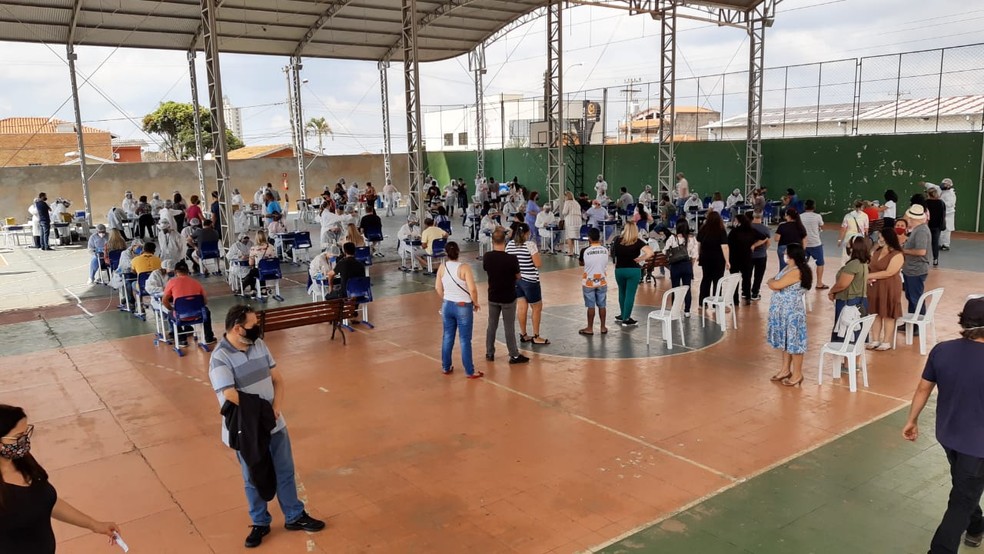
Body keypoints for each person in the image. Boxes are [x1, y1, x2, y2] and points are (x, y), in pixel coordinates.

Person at [208, 305, 325, 549]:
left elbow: (278, 379)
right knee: (253, 476)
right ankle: (260, 522)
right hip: (247, 430)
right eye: (253, 326)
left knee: (285, 470)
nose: (257, 330)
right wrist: (262, 410)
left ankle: (294, 515)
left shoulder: (259, 345)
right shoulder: (220, 357)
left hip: (274, 423)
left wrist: (276, 408)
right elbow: (229, 394)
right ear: (238, 328)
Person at [902, 297, 984, 553]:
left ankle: (976, 526)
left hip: (948, 436)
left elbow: (923, 388)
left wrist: (911, 420)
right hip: (978, 446)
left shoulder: (942, 350)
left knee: (964, 487)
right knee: (961, 499)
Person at [0, 405, 120, 553]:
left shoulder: (23, 462)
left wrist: (93, 524)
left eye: (26, 433)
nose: (25, 441)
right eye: (18, 437)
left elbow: (44, 500)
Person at [766, 243, 813, 387]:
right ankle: (785, 369)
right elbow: (775, 281)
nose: (784, 254)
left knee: (795, 343)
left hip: (792, 313)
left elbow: (775, 284)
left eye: (786, 253)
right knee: (786, 342)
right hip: (784, 312)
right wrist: (773, 281)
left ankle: (797, 374)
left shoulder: (796, 271)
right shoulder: (789, 268)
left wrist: (772, 282)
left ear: (792, 255)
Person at [434, 241, 483, 378]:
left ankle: (446, 366)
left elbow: (438, 288)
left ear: (446, 253)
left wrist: (446, 298)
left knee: (447, 336)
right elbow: (472, 289)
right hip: (463, 306)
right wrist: (475, 302)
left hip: (447, 305)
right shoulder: (464, 267)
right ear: (458, 252)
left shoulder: (442, 267)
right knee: (464, 339)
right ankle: (469, 370)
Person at [506, 223, 549, 345]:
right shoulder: (530, 245)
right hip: (530, 281)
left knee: (522, 307)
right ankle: (536, 336)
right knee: (536, 308)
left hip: (515, 281)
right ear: (526, 233)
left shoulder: (509, 245)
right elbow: (538, 263)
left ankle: (523, 334)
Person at [827, 237, 869, 349]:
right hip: (860, 301)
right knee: (857, 333)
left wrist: (832, 291)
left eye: (849, 244)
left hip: (849, 302)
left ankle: (847, 363)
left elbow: (842, 284)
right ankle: (854, 363)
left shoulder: (853, 264)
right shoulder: (863, 263)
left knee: (846, 332)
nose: (847, 247)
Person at [866, 228, 904, 351]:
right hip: (875, 286)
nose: (880, 239)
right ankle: (875, 339)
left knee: (888, 313)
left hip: (890, 287)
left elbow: (889, 272)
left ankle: (886, 341)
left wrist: (867, 276)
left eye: (882, 237)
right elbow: (870, 266)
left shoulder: (897, 254)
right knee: (875, 312)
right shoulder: (877, 251)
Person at [162, 261, 217, 345]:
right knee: (206, 311)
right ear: (188, 271)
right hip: (198, 315)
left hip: (180, 316)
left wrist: (172, 309)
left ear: (175, 272)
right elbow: (205, 301)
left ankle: (181, 339)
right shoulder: (196, 282)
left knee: (171, 313)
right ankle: (208, 337)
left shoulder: (171, 282)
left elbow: (164, 301)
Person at [611, 223, 653, 327]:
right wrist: (640, 259)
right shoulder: (638, 242)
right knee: (630, 295)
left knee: (622, 293)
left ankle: (622, 314)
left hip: (619, 270)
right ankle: (626, 318)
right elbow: (650, 252)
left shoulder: (617, 240)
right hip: (633, 270)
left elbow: (611, 254)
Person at [727, 213, 769, 305]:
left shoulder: (734, 231)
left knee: (734, 279)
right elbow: (764, 237)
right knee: (747, 278)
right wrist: (753, 245)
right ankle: (748, 297)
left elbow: (728, 243)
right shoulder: (751, 230)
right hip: (747, 258)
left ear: (738, 221)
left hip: (734, 258)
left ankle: (735, 300)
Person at [901, 204, 931, 319]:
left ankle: (918, 323)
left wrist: (904, 250)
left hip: (916, 270)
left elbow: (921, 251)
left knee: (915, 298)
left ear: (913, 219)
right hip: (912, 269)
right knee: (911, 297)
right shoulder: (918, 229)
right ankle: (912, 320)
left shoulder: (921, 231)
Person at [664, 220, 699, 317]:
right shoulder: (691, 239)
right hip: (687, 265)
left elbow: (665, 251)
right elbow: (694, 255)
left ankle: (675, 310)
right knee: (687, 288)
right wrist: (690, 266)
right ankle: (687, 311)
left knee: (675, 288)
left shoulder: (672, 238)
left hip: (675, 266)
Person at [578, 227, 610, 335]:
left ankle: (590, 328)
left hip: (589, 282)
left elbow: (581, 263)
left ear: (589, 239)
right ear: (599, 237)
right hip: (602, 280)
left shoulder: (584, 251)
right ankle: (603, 327)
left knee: (590, 306)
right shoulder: (605, 250)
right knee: (602, 305)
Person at [697, 211, 730, 309]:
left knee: (706, 279)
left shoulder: (703, 229)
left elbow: (699, 244)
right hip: (718, 259)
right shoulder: (721, 230)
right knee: (717, 281)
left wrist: (699, 254)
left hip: (705, 258)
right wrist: (727, 260)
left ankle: (702, 303)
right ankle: (716, 303)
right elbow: (724, 247)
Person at [799, 200, 827, 288]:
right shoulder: (818, 216)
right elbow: (823, 227)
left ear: (805, 207)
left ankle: (801, 283)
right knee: (820, 263)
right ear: (814, 207)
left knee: (802, 264)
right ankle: (819, 283)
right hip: (816, 244)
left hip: (804, 244)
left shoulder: (800, 216)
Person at [749, 211, 772, 301]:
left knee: (747, 274)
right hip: (761, 256)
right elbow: (768, 243)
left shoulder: (748, 227)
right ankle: (755, 293)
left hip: (748, 256)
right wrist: (763, 250)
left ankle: (745, 291)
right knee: (758, 275)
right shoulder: (765, 229)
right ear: (762, 217)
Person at [926, 187, 946, 267]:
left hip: (927, 225)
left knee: (926, 243)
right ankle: (935, 259)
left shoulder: (926, 202)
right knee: (935, 243)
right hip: (937, 226)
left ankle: (926, 259)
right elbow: (943, 215)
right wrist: (941, 225)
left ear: (928, 194)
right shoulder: (941, 203)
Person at [940, 179, 956, 251]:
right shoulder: (943, 192)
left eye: (946, 184)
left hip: (949, 214)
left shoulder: (951, 194)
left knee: (947, 229)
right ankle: (941, 244)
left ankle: (946, 244)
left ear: (949, 185)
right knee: (942, 229)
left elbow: (950, 204)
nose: (944, 185)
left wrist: (941, 202)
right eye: (943, 184)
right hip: (943, 213)